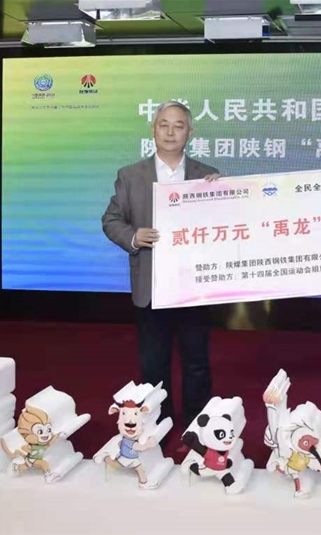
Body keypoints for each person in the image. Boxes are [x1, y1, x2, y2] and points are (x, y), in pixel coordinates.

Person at [102, 101, 220, 446]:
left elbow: (224, 224)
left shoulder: (207, 175)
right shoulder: (130, 175)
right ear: (153, 129)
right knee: (153, 366)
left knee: (197, 363)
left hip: (193, 286)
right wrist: (134, 237)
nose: (170, 132)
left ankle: (196, 430)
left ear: (190, 132)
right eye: (163, 124)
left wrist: (222, 195)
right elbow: (111, 220)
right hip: (151, 286)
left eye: (178, 126)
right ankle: (159, 428)